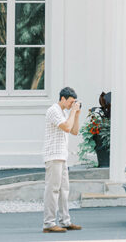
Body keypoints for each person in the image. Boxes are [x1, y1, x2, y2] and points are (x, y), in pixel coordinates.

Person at [43, 87, 83, 233]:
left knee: (64, 190)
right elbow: (66, 127)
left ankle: (65, 221)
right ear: (63, 98)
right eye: (71, 102)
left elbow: (74, 131)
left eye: (74, 102)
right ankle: (48, 223)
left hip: (62, 156)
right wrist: (73, 112)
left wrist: (76, 114)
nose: (72, 104)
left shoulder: (65, 112)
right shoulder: (53, 110)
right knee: (52, 190)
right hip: (53, 156)